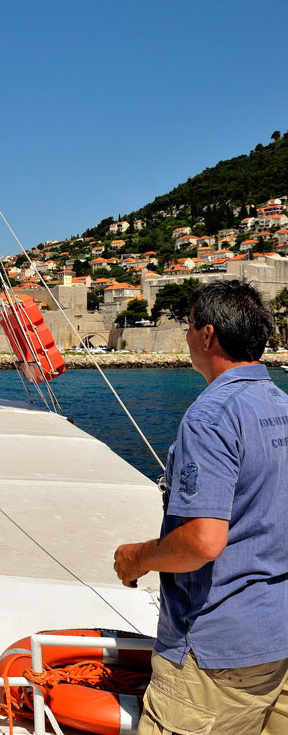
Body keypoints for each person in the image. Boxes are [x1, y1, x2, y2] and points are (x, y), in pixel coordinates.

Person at [114, 279, 288, 735]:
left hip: (217, 651)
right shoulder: (282, 405)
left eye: (188, 326)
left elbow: (203, 541)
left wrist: (137, 558)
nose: (186, 336)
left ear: (207, 335)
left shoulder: (210, 416)